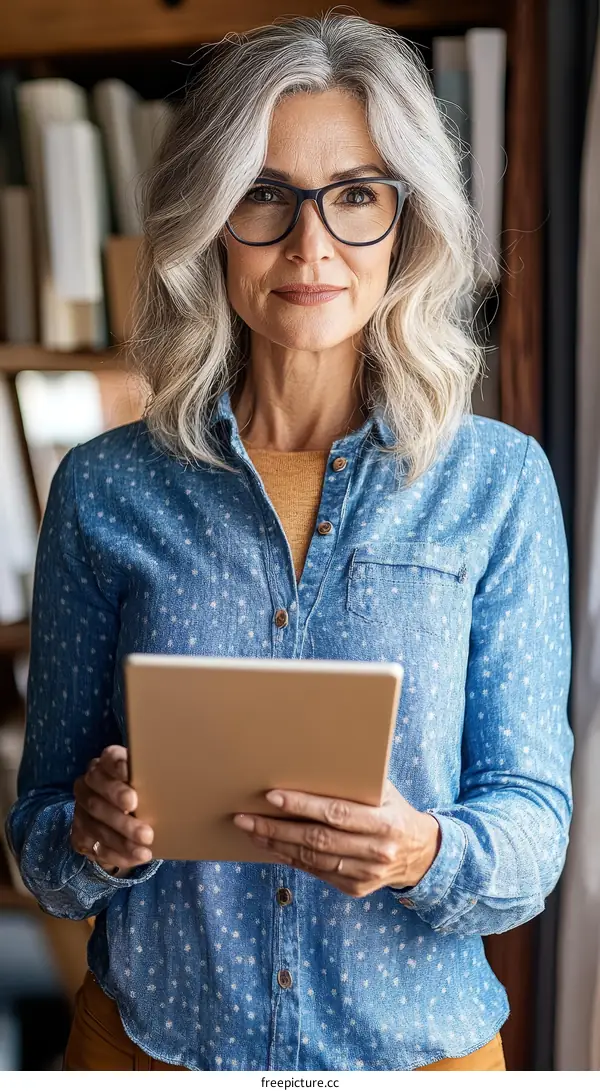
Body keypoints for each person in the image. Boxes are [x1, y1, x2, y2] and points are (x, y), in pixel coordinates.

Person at [5, 13, 573, 1072]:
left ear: (407, 221)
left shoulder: (497, 485)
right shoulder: (105, 487)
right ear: (211, 217)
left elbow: (535, 828)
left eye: (356, 195)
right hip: (149, 1049)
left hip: (416, 1055)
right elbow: (40, 838)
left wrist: (425, 849)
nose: (312, 247)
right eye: (266, 194)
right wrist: (91, 834)